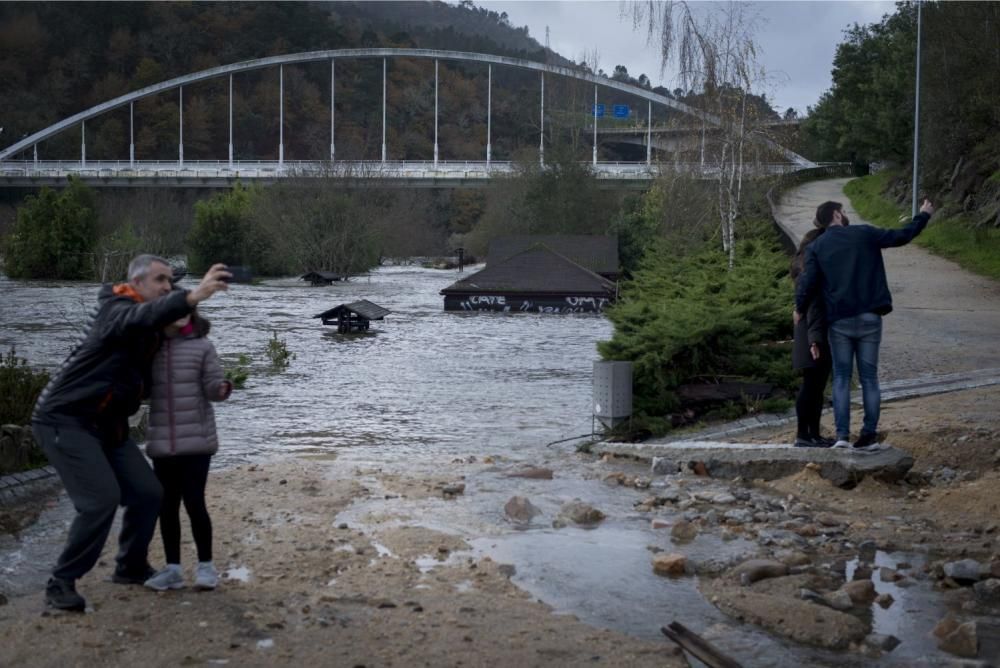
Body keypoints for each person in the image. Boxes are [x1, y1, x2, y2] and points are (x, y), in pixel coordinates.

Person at [31, 255, 230, 611]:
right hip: (66, 418)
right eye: (160, 280)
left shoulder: (152, 330)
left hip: (109, 426)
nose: (167, 287)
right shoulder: (116, 310)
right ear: (135, 283)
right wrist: (190, 297)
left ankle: (130, 565)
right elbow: (139, 317)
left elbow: (169, 344)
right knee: (100, 500)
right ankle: (61, 581)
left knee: (148, 492)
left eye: (171, 281)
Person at [795, 199, 934, 451]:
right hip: (870, 317)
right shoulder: (864, 233)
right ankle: (868, 434)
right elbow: (901, 236)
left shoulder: (817, 247)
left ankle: (842, 437)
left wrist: (799, 308)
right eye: (844, 211)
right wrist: (922, 215)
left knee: (841, 378)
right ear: (837, 215)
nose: (845, 215)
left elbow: (808, 282)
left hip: (839, 321)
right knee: (869, 378)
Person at [143, 307, 231, 591]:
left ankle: (206, 567)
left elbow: (212, 386)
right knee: (166, 506)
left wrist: (221, 388)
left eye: (185, 308)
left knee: (195, 502)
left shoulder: (203, 346)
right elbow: (141, 389)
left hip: (196, 441)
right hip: (162, 442)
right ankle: (173, 569)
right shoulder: (151, 347)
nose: (180, 314)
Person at [790, 219, 833, 448]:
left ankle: (810, 434)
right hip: (813, 332)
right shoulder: (812, 273)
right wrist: (816, 339)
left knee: (813, 387)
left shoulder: (801, 269)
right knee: (812, 387)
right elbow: (815, 306)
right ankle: (805, 435)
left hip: (807, 331)